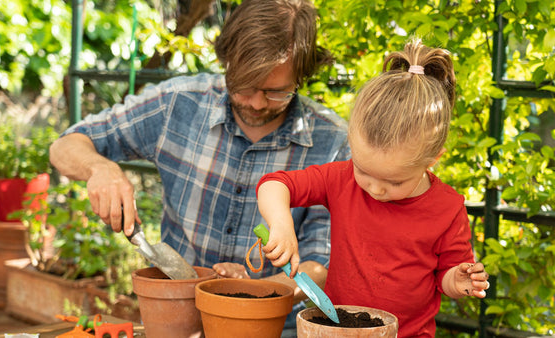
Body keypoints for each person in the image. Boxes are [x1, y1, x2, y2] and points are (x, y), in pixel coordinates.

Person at [49, 0, 350, 332]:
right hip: (178, 322)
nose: (257, 102)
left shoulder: (332, 142)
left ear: (302, 77)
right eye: (244, 86)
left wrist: (256, 293)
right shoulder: (178, 104)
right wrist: (99, 168)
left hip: (275, 329)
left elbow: (321, 262)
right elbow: (66, 145)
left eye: (276, 93)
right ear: (227, 60)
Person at [256, 39, 490, 337]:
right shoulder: (342, 179)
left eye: (394, 182)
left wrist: (457, 280)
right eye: (364, 170)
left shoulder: (447, 207)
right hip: (338, 331)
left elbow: (447, 273)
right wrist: (280, 224)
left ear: (433, 159)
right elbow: (274, 184)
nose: (375, 189)